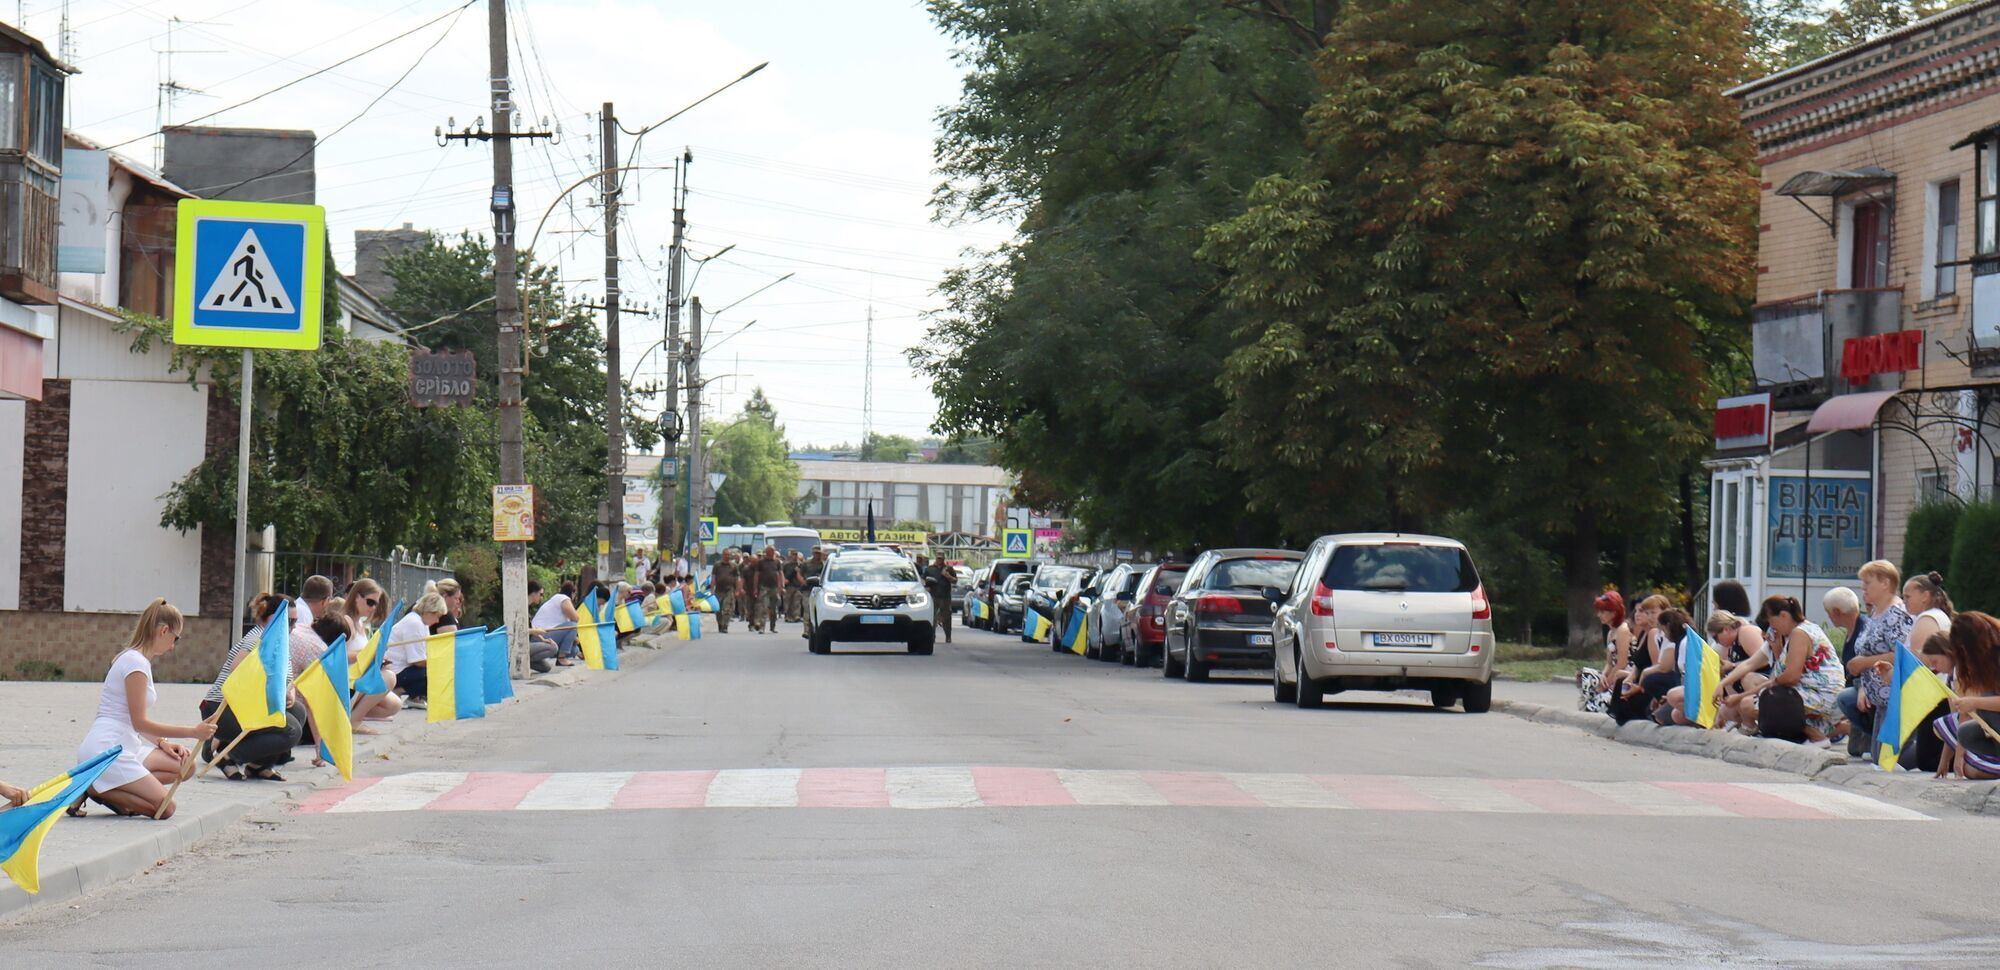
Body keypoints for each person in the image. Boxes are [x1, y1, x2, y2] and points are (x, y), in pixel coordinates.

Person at [76, 599, 217, 818]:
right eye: (175, 638)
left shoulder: (135, 659)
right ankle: (94, 788)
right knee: (165, 809)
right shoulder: (135, 664)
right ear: (163, 631)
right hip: (107, 750)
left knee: (186, 766)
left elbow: (134, 720)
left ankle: (110, 788)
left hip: (125, 744)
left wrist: (163, 743)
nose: (173, 646)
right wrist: (192, 732)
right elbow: (140, 722)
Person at [199, 594, 304, 781]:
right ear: (271, 618)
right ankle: (229, 757)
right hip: (222, 708)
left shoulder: (280, 642)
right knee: (291, 729)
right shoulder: (258, 638)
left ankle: (259, 766)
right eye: (288, 621)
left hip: (248, 706)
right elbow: (237, 672)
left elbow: (287, 678)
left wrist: (290, 694)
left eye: (295, 621)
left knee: (298, 711)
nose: (293, 626)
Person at [1839, 561, 1914, 757]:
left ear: (1886, 583)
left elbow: (1903, 653)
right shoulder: (1875, 612)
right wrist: (1863, 685)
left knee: (1888, 760)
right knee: (1878, 758)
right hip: (1878, 698)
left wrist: (1864, 663)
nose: (1863, 588)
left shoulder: (1897, 614)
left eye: (1868, 583)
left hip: (1893, 697)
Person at [1754, 595, 1846, 744]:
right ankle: (1832, 730)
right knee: (1764, 697)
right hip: (1823, 691)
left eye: (1772, 622)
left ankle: (1816, 736)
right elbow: (1783, 670)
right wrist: (1777, 649)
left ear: (1783, 615)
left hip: (1823, 693)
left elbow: (1791, 676)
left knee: (1764, 702)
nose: (1772, 628)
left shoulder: (1799, 633)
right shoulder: (1806, 629)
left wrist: (1771, 684)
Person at [1934, 611, 2000, 779]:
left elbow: (1981, 702)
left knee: (1985, 703)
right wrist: (1954, 759)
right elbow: (1965, 714)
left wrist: (1975, 702)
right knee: (1965, 733)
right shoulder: (1982, 667)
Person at [338, 579, 402, 725]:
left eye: (376, 603)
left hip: (358, 679)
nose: (373, 608)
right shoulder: (346, 621)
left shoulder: (360, 622)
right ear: (356, 597)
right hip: (347, 682)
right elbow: (339, 657)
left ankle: (352, 715)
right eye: (370, 602)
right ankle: (354, 721)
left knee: (394, 704)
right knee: (389, 678)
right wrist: (369, 654)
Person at [1609, 595, 1668, 724]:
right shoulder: (1645, 633)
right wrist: (1630, 677)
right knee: (1621, 682)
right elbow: (1637, 665)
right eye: (1647, 612)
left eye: (1653, 613)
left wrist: (1638, 685)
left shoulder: (1655, 634)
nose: (1650, 616)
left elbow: (1657, 667)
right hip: (1644, 679)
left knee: (1622, 684)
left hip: (1652, 683)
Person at [387, 591, 450, 708]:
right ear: (429, 612)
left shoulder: (419, 622)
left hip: (398, 669)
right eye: (437, 616)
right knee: (435, 672)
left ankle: (413, 695)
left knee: (434, 669)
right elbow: (417, 660)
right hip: (395, 671)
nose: (437, 621)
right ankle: (400, 691)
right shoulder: (415, 623)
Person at [1579, 591, 1628, 715]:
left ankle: (1595, 706)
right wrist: (1603, 676)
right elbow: (1609, 662)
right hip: (1613, 672)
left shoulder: (1623, 630)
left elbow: (1622, 662)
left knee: (1599, 692)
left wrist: (1608, 683)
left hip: (1625, 675)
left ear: (1614, 612)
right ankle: (1589, 707)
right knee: (1585, 675)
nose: (1599, 615)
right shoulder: (1611, 632)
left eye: (1602, 611)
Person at [533, 580, 582, 664]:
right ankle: (561, 658)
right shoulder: (563, 598)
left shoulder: (555, 600)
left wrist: (575, 640)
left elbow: (566, 633)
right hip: (538, 635)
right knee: (573, 625)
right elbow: (576, 618)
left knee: (575, 650)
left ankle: (559, 655)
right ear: (572, 593)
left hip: (545, 634)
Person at [522, 581, 560, 673]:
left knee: (546, 668)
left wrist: (543, 639)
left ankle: (525, 661)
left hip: (528, 643)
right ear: (534, 593)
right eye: (541, 594)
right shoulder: (520, 607)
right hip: (521, 644)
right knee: (553, 648)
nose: (541, 597)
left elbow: (532, 628)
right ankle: (521, 661)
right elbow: (520, 630)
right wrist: (535, 631)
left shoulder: (527, 608)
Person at [753, 546, 785, 634]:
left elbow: (780, 573)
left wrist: (782, 586)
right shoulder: (761, 562)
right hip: (764, 587)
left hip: (774, 588)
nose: (772, 552)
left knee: (774, 609)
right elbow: (756, 575)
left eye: (773, 551)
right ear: (766, 552)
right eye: (770, 551)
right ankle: (762, 627)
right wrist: (755, 588)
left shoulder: (777, 562)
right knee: (764, 607)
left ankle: (772, 627)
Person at [927, 558, 957, 644]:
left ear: (943, 558)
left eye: (941, 558)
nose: (939, 560)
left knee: (947, 618)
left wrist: (948, 576)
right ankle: (932, 637)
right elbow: (923, 579)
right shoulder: (930, 569)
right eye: (938, 558)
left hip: (945, 597)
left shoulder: (949, 569)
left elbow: (955, 581)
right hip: (933, 596)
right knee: (932, 617)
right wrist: (927, 585)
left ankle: (948, 636)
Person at [711, 552, 738, 633]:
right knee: (718, 609)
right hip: (719, 590)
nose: (727, 556)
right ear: (723, 555)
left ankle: (725, 625)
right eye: (726, 555)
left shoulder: (734, 566)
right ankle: (720, 623)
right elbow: (713, 577)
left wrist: (737, 590)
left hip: (729, 590)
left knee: (727, 609)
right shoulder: (717, 565)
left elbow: (737, 578)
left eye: (729, 555)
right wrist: (712, 589)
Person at [782, 552, 806, 622]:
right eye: (793, 555)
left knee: (797, 601)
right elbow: (783, 573)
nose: (795, 556)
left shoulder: (801, 565)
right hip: (789, 585)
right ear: (790, 556)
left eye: (796, 555)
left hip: (797, 585)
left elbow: (803, 574)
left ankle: (796, 615)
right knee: (788, 601)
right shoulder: (786, 565)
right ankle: (788, 616)